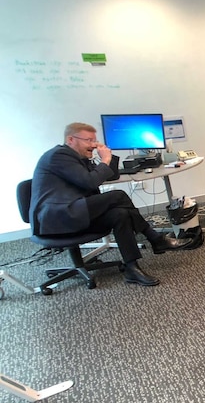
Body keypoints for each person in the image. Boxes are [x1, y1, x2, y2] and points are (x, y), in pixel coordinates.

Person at [30, 123, 191, 287]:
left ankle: (132, 268)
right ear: (71, 139)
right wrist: (105, 161)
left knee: (121, 214)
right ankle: (155, 238)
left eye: (95, 140)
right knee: (119, 196)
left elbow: (111, 176)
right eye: (89, 140)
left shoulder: (80, 158)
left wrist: (108, 156)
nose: (94, 144)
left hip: (76, 213)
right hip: (58, 218)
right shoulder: (59, 156)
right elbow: (90, 182)